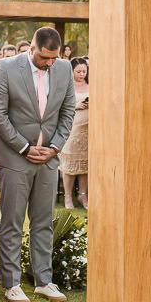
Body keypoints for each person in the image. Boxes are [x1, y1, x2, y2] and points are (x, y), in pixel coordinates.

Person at [0, 27, 76, 302]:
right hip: (14, 157)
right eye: (45, 57)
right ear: (32, 49)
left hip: (48, 158)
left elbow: (68, 111)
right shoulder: (5, 68)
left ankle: (44, 280)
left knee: (43, 221)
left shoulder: (64, 69)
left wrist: (54, 148)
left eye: (54, 57)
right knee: (12, 220)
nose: (50, 62)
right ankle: (12, 283)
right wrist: (24, 147)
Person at [60, 57, 90, 209]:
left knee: (84, 163)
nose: (81, 74)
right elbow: (59, 105)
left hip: (88, 128)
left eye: (84, 71)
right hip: (72, 127)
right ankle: (67, 197)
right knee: (70, 164)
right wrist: (76, 105)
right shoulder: (67, 85)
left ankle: (83, 195)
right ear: (71, 71)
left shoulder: (91, 84)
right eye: (78, 71)